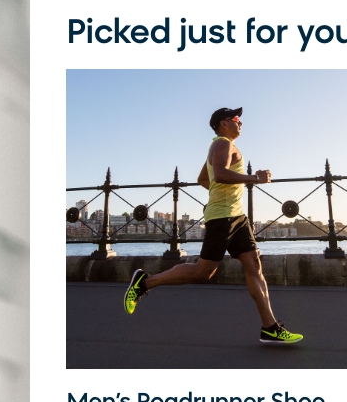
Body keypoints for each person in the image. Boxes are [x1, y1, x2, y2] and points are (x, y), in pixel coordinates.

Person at [123, 107, 303, 345]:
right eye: (236, 119)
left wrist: (224, 195)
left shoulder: (224, 145)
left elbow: (203, 179)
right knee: (203, 271)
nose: (241, 123)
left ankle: (270, 327)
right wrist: (254, 179)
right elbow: (218, 175)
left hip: (237, 217)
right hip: (223, 218)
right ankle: (144, 282)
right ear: (223, 123)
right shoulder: (222, 144)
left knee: (254, 266)